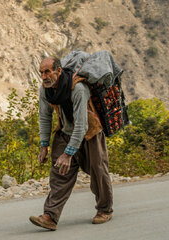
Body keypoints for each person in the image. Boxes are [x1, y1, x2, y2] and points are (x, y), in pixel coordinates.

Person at [29, 57, 113, 231]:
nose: (44, 76)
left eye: (48, 72)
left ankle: (105, 210)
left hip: (90, 133)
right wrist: (44, 145)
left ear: (58, 71)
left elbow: (82, 125)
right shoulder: (46, 91)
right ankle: (50, 216)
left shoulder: (78, 89)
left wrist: (68, 154)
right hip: (66, 131)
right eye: (41, 72)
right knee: (59, 174)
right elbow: (44, 117)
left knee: (98, 170)